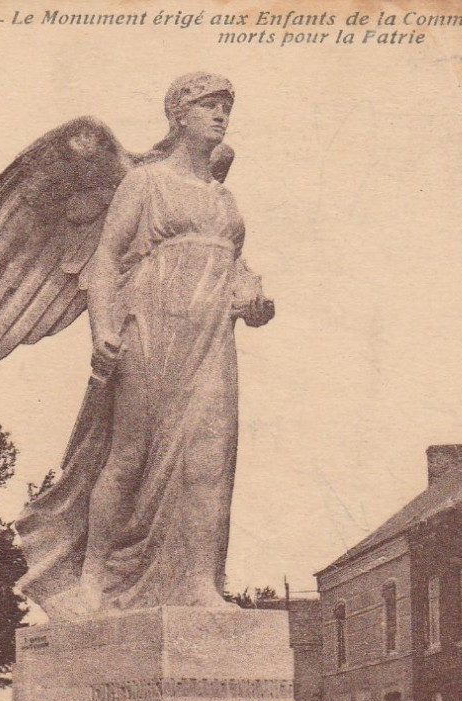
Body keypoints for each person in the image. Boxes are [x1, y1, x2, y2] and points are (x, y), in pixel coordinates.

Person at [18, 73, 274, 619]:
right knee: (128, 456)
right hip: (152, 327)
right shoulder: (146, 183)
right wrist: (103, 330)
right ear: (178, 114)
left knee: (211, 457)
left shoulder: (225, 199)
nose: (221, 114)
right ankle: (94, 579)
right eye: (208, 104)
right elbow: (106, 259)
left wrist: (256, 303)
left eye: (226, 105)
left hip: (212, 339)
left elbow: (239, 273)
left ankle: (202, 584)